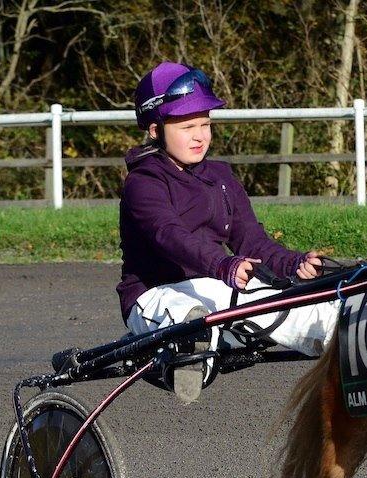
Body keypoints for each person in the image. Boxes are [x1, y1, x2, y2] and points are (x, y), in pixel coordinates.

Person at [117, 62, 339, 403]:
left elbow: (252, 239)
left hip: (219, 289)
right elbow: (170, 235)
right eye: (187, 126)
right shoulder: (143, 183)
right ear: (154, 130)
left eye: (205, 124)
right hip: (155, 295)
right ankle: (191, 348)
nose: (200, 135)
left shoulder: (221, 177)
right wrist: (225, 265)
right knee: (187, 315)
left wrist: (294, 263)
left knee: (327, 315)